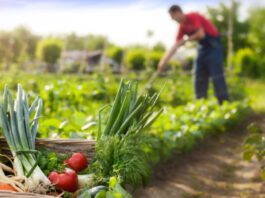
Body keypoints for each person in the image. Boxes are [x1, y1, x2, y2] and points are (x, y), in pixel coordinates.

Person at [158, 5, 229, 104]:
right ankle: (200, 105)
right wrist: (163, 61)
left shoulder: (193, 16)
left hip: (213, 46)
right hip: (202, 48)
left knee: (216, 75)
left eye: (173, 17)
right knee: (199, 75)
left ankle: (224, 104)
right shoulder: (182, 27)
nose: (173, 20)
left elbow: (201, 34)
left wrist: (186, 40)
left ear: (177, 12)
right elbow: (176, 45)